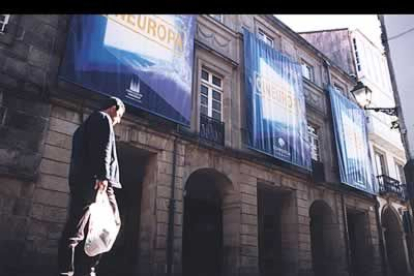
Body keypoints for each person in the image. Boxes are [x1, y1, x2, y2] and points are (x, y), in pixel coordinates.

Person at [58, 96, 125, 276]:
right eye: (119, 115)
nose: (118, 120)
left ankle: (70, 270)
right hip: (97, 182)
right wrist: (102, 177)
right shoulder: (103, 119)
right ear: (114, 108)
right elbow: (102, 148)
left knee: (80, 227)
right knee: (111, 223)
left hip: (82, 181)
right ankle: (87, 268)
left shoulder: (82, 128)